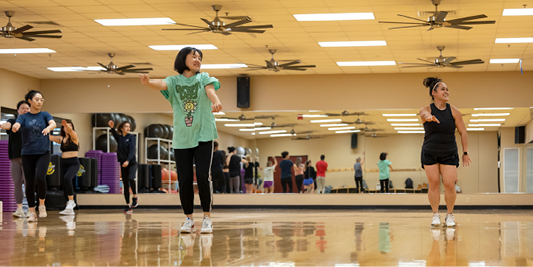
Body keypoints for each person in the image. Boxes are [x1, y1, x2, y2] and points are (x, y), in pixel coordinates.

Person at [139, 46, 223, 234]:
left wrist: (216, 101)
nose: (197, 59)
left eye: (199, 57)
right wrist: (147, 82)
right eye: (193, 56)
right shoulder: (174, 81)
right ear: (182, 59)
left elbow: (210, 91)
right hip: (182, 138)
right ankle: (189, 219)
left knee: (202, 176)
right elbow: (161, 84)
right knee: (184, 179)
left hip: (203, 135)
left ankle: (207, 217)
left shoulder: (204, 78)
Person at [420, 77, 470, 227]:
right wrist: (429, 118)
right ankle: (435, 214)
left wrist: (465, 152)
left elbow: (463, 132)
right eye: (443, 89)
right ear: (434, 92)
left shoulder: (454, 111)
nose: (446, 91)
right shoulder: (426, 109)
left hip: (449, 152)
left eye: (447, 89)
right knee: (433, 184)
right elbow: (423, 115)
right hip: (430, 152)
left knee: (449, 185)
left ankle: (449, 215)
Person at [11, 90, 56, 222]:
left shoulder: (44, 114)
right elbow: (17, 124)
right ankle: (32, 212)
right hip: (27, 153)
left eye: (41, 99)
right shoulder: (24, 117)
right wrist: (15, 126)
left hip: (43, 152)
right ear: (29, 101)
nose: (40, 102)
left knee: (40, 177)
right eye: (37, 99)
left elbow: (53, 123)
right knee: (29, 183)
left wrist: (49, 128)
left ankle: (41, 205)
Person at [0, 100, 30, 218]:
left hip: (28, 158)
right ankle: (19, 209)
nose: (25, 110)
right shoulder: (13, 121)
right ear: (18, 110)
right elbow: (7, 125)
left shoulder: (31, 124)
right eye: (23, 108)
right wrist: (2, 125)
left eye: (27, 108)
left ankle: (31, 210)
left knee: (29, 184)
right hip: (15, 158)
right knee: (17, 183)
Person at [49, 120, 80, 215]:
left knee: (67, 178)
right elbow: (49, 137)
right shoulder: (61, 139)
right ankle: (68, 206)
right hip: (63, 163)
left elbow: (71, 131)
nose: (67, 128)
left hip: (73, 163)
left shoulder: (74, 137)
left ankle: (72, 202)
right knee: (63, 184)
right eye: (65, 126)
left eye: (69, 126)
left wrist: (67, 126)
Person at [108, 120, 138, 214]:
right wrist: (112, 127)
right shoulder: (120, 138)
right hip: (123, 163)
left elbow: (132, 150)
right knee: (125, 184)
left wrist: (128, 160)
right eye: (126, 126)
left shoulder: (132, 137)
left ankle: (135, 197)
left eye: (129, 127)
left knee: (131, 178)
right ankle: (128, 205)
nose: (128, 128)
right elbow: (114, 134)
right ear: (121, 128)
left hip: (131, 162)